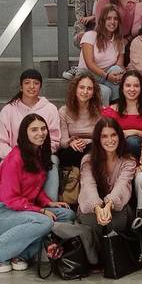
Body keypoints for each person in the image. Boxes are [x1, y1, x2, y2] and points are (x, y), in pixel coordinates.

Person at [0, 114, 75, 273]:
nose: (40, 133)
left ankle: (20, 254)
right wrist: (41, 210)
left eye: (43, 129)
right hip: (4, 213)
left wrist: (48, 203)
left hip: (25, 210)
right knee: (44, 222)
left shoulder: (38, 154)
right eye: (34, 129)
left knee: (66, 215)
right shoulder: (14, 158)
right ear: (24, 133)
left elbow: (35, 189)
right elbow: (10, 198)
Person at [78, 117, 136, 256]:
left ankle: (114, 256)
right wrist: (98, 207)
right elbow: (88, 185)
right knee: (90, 219)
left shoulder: (129, 160)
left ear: (119, 136)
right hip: (92, 206)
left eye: (113, 135)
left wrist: (109, 205)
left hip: (118, 206)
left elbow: (122, 186)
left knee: (116, 219)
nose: (110, 140)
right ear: (98, 139)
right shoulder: (88, 160)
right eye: (104, 136)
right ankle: (95, 257)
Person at [57, 74, 102, 202]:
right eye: (82, 87)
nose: (85, 92)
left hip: (92, 148)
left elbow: (101, 137)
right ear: (75, 89)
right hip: (71, 151)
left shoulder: (99, 111)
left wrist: (87, 141)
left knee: (94, 149)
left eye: (89, 88)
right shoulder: (63, 111)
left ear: (93, 92)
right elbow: (62, 141)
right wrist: (71, 142)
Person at [77, 4, 125, 105]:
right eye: (108, 18)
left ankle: (116, 107)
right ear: (102, 21)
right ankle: (105, 118)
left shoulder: (120, 42)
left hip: (106, 76)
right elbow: (89, 64)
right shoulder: (90, 35)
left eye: (115, 19)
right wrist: (107, 76)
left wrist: (122, 74)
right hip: (87, 75)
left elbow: (119, 65)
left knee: (117, 70)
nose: (112, 22)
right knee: (105, 92)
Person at [101, 70, 142, 159]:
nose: (132, 89)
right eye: (128, 85)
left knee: (132, 141)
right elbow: (104, 135)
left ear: (141, 88)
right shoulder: (111, 111)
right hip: (116, 153)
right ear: (122, 88)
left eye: (136, 86)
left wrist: (134, 132)